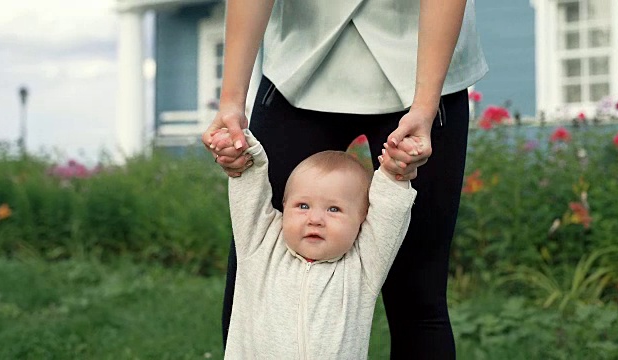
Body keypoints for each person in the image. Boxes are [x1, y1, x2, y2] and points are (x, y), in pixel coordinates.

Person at [202, 0, 488, 358]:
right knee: (254, 282)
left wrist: (425, 107)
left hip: (424, 63)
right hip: (299, 63)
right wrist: (231, 102)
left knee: (418, 297)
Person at [208, 128, 416, 358]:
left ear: (362, 220)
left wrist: (394, 174)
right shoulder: (260, 245)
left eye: (334, 209)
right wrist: (241, 150)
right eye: (303, 206)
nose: (315, 219)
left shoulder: (363, 267)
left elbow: (389, 214)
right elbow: (249, 186)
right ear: (284, 207)